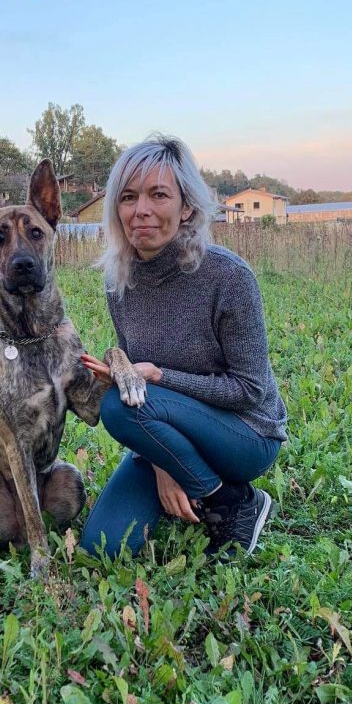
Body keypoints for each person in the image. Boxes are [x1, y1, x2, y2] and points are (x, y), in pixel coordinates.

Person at [79, 135, 288, 560]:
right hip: (165, 429)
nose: (142, 210)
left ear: (187, 206)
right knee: (105, 546)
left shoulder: (228, 277)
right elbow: (138, 392)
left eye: (159, 195)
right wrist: (162, 463)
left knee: (117, 407)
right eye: (129, 197)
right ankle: (193, 479)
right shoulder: (118, 283)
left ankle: (233, 502)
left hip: (245, 434)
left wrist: (161, 376)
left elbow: (251, 391)